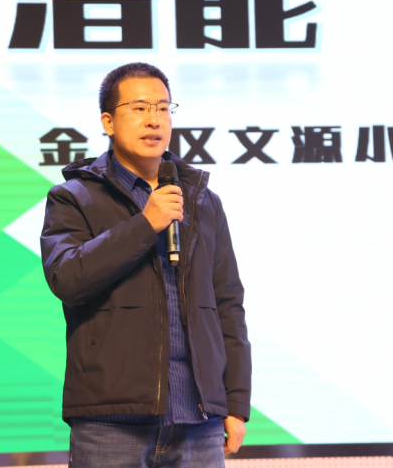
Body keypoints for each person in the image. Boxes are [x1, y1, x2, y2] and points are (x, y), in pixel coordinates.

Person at [40, 62, 251, 468]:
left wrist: (236, 401)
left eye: (163, 108)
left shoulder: (201, 200)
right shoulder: (73, 197)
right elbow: (67, 278)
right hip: (111, 421)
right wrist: (144, 224)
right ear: (108, 121)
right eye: (139, 108)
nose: (154, 120)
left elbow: (227, 303)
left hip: (199, 419)